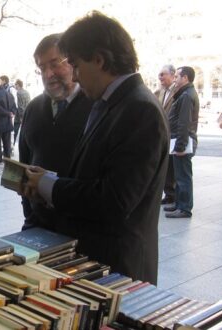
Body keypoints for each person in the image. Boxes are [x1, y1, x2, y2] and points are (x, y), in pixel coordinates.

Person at [22, 11, 169, 284]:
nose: (75, 76)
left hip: (119, 265)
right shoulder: (110, 102)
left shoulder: (139, 110)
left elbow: (114, 200)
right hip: (93, 256)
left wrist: (49, 185)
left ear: (100, 59)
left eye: (75, 65)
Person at [18, 33, 93, 229]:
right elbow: (25, 163)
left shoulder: (95, 106)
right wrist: (29, 212)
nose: (48, 74)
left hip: (80, 227)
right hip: (37, 224)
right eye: (42, 68)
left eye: (54, 64)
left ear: (73, 62)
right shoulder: (33, 108)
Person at [164, 66, 199, 218]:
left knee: (183, 176)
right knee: (179, 175)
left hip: (183, 141)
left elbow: (184, 122)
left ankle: (184, 208)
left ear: (185, 78)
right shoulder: (185, 93)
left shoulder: (186, 95)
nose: (175, 79)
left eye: (177, 76)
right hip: (180, 140)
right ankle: (179, 203)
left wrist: (180, 145)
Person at [155, 65, 177, 205]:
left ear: (173, 75)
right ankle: (168, 193)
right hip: (163, 133)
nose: (160, 77)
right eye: (159, 75)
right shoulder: (159, 92)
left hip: (174, 133)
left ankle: (174, 194)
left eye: (163, 74)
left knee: (173, 167)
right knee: (165, 166)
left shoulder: (179, 91)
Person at [0, 79, 16, 163]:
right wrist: (11, 113)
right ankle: (8, 158)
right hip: (7, 122)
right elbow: (14, 106)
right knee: (7, 142)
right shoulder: (9, 94)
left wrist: (6, 113)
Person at [13, 79, 31, 146]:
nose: (15, 86)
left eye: (15, 84)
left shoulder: (19, 93)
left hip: (20, 115)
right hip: (27, 113)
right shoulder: (26, 92)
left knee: (16, 130)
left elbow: (20, 106)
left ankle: (13, 146)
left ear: (18, 85)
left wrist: (21, 116)